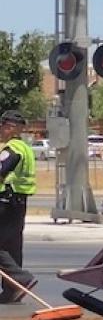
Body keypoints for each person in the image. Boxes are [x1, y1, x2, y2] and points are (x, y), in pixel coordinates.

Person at [0, 109, 38, 302]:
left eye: (2, 126)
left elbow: (2, 169)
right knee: (12, 246)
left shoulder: (13, 148)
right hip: (18, 202)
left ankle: (20, 278)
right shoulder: (25, 147)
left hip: (6, 201)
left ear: (10, 127)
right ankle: (12, 291)